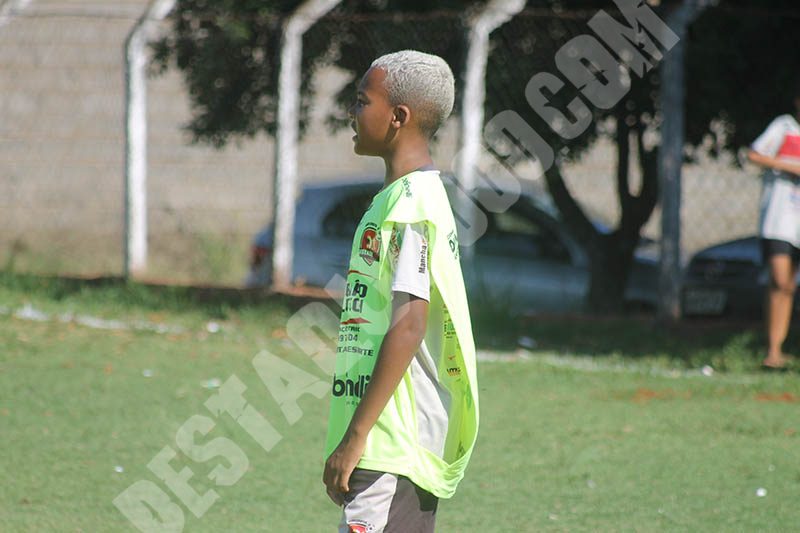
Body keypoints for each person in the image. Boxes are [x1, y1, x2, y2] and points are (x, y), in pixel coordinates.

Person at [322, 50, 479, 532]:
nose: (352, 112)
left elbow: (409, 324)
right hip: (386, 438)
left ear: (398, 116)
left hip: (394, 439)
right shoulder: (397, 198)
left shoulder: (413, 205)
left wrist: (356, 436)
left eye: (361, 100)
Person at [747, 90, 800, 370]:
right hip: (779, 220)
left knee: (790, 285)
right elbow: (754, 154)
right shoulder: (784, 127)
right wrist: (789, 166)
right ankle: (772, 349)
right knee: (779, 280)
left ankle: (777, 352)